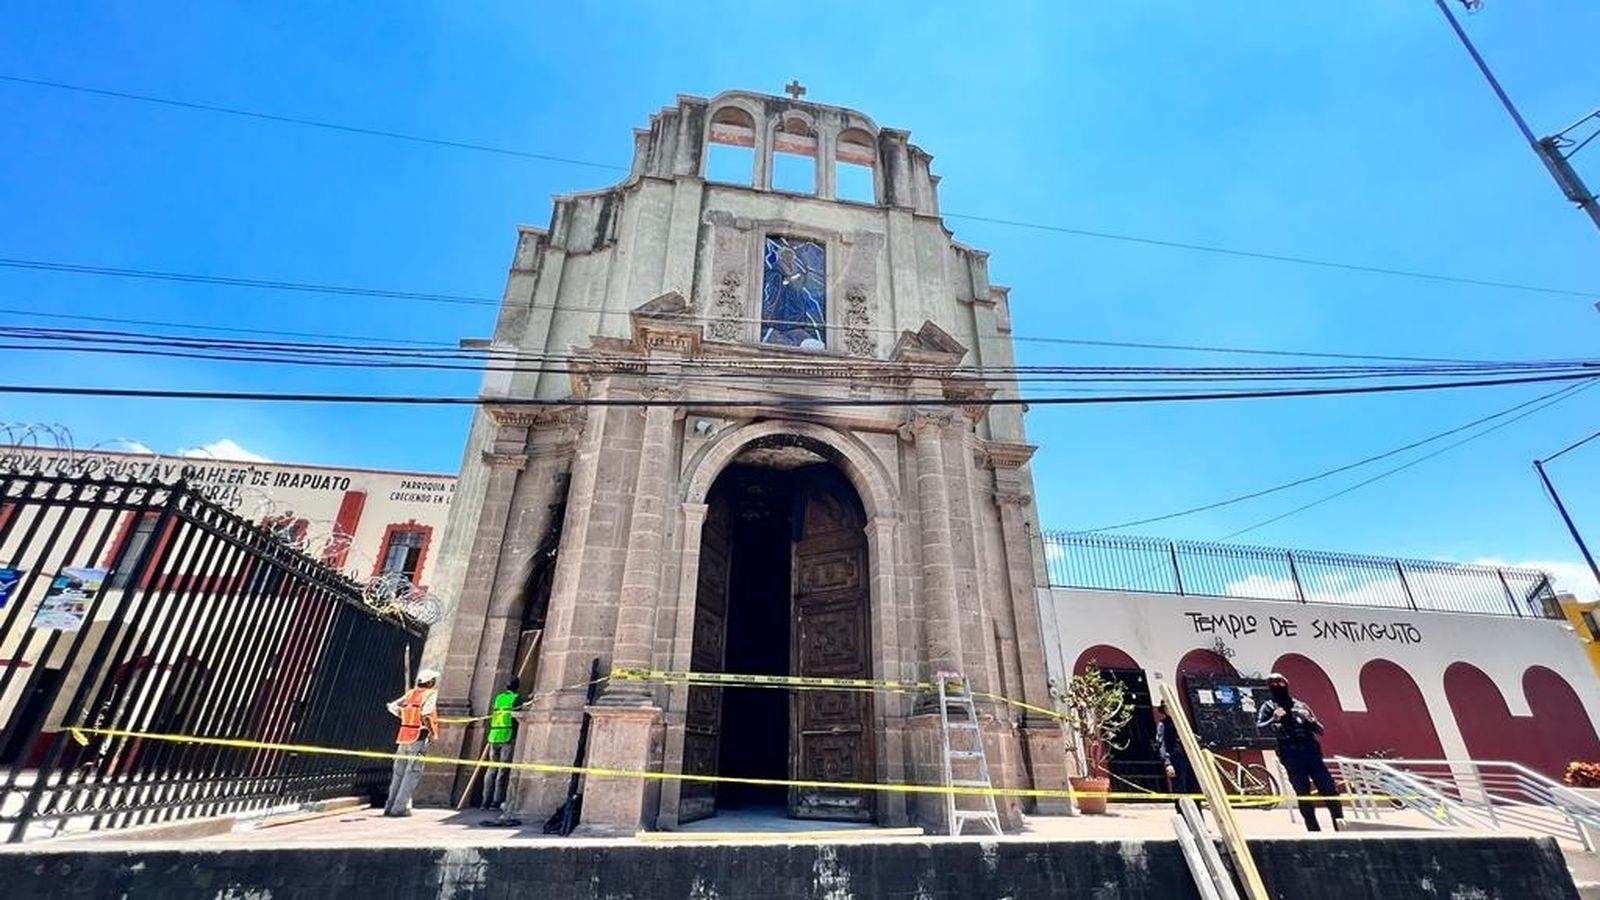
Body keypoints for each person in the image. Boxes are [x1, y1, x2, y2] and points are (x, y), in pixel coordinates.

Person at [1256, 672, 1343, 832]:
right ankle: (1314, 830)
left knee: (1329, 790)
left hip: (1312, 754)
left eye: (1280, 681)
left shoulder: (1301, 705)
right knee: (1303, 793)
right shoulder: (1268, 706)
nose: (1277, 685)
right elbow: (1259, 728)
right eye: (1273, 682)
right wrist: (1273, 719)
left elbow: (1320, 730)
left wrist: (1309, 719)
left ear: (1286, 683)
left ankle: (1340, 825)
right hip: (1291, 755)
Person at [383, 668, 440, 818]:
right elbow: (426, 714)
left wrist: (405, 716)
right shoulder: (430, 694)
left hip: (404, 737)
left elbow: (393, 707)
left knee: (399, 773)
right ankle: (399, 808)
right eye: (433, 680)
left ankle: (389, 806)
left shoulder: (410, 694)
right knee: (412, 773)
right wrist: (433, 733)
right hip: (419, 737)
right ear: (430, 682)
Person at [480, 677, 520, 811]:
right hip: (507, 736)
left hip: (494, 735)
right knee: (502, 771)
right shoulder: (516, 699)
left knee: (491, 770)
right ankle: (496, 802)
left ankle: (485, 802)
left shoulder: (499, 698)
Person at [1154, 700, 1197, 809]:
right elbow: (1161, 744)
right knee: (1180, 790)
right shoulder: (1163, 724)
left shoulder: (1183, 723)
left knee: (1195, 789)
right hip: (1176, 760)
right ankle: (1183, 816)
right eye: (1167, 708)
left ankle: (1199, 819)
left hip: (1191, 759)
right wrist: (1167, 763)